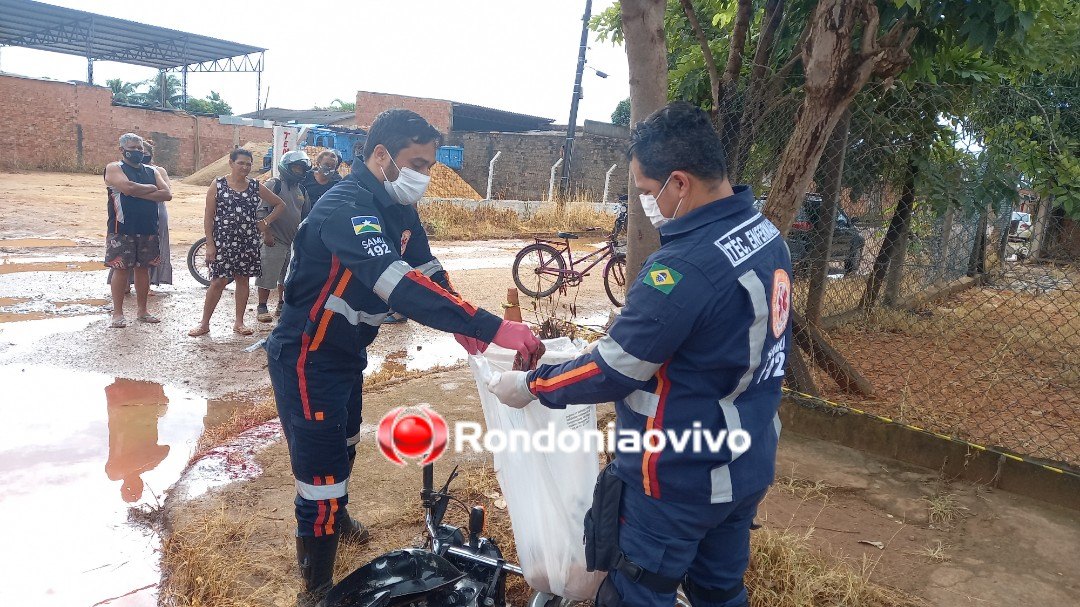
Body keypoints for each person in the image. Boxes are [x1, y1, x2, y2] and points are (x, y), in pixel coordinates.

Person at [488, 102, 793, 607]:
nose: (647, 203)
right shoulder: (765, 236)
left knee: (638, 592)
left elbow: (614, 369)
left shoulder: (683, 267)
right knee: (719, 591)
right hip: (746, 463)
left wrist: (531, 384)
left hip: (676, 480)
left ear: (679, 183)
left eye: (649, 192)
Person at [264, 109, 541, 607]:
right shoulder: (345, 206)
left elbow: (428, 272)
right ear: (380, 155)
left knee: (346, 438)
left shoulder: (398, 208)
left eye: (430, 165)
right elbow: (398, 284)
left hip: (346, 353)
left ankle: (339, 517)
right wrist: (492, 324)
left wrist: (468, 334)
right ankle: (317, 587)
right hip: (307, 356)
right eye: (417, 162)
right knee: (320, 474)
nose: (424, 175)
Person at [188, 148, 286, 337]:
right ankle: (204, 323)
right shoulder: (218, 184)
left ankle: (239, 323)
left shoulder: (255, 186)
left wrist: (264, 223)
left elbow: (280, 204)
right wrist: (210, 243)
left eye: (248, 164)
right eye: (241, 163)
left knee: (243, 280)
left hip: (247, 241)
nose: (245, 167)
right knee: (218, 281)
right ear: (231, 163)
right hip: (223, 241)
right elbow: (209, 216)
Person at [104, 133, 172, 328]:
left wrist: (136, 190)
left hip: (148, 227)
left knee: (144, 270)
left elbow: (167, 194)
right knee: (121, 269)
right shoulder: (114, 168)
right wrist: (151, 189)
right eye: (133, 149)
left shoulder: (152, 170)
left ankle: (142, 311)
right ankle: (118, 313)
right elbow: (126, 188)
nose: (137, 152)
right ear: (122, 150)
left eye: (140, 149)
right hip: (121, 227)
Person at [256, 150, 313, 322]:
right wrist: (267, 233)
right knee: (267, 273)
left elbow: (305, 214)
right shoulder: (274, 184)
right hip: (275, 238)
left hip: (293, 241)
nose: (299, 171)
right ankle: (262, 306)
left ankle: (282, 304)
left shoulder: (301, 189)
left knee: (287, 276)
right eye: (295, 168)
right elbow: (260, 211)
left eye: (301, 169)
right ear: (286, 167)